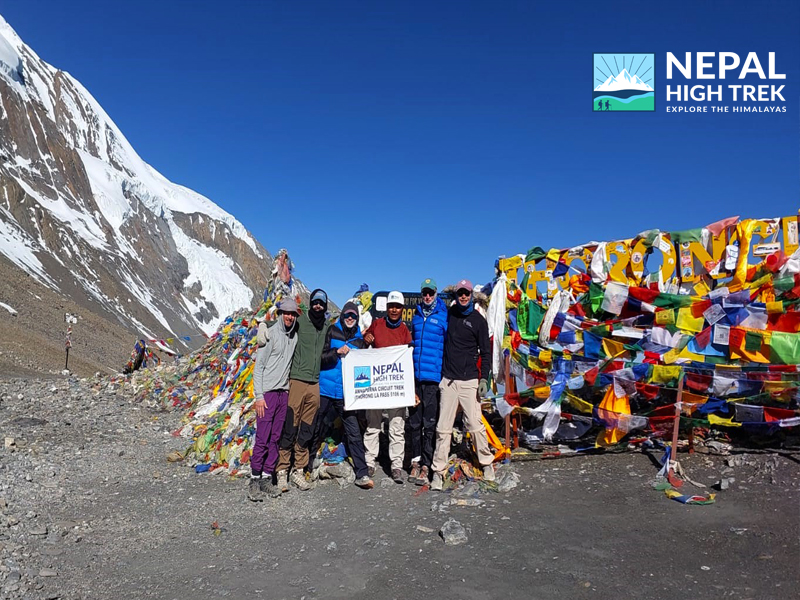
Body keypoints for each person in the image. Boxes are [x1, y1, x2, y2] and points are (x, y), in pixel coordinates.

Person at [430, 279, 495, 491]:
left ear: (471, 295)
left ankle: (486, 463)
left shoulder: (479, 321)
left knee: (475, 425)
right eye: (460, 293)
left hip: (470, 381)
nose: (464, 296)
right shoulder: (449, 315)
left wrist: (484, 378)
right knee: (443, 428)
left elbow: (486, 353)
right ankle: (438, 471)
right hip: (448, 380)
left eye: (467, 293)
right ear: (456, 296)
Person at [276, 289, 330, 492]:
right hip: (297, 381)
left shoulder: (326, 326)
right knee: (290, 425)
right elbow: (281, 325)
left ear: (325, 306)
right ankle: (282, 470)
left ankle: (298, 470)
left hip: (314, 384)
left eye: (321, 303)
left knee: (307, 428)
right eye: (315, 302)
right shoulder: (300, 321)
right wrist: (264, 326)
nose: (318, 306)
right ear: (311, 303)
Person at [317, 302, 373, 489]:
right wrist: (336, 352)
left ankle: (362, 473)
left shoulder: (359, 340)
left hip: (345, 394)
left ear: (357, 318)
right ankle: (304, 467)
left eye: (353, 316)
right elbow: (321, 357)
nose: (350, 318)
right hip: (325, 389)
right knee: (316, 426)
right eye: (347, 315)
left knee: (353, 431)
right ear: (342, 316)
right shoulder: (332, 331)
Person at [248, 299, 299, 500]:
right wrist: (259, 396)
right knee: (262, 437)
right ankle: (254, 480)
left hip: (282, 394)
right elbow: (258, 367)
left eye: (293, 314)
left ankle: (267, 477)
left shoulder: (294, 336)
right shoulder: (269, 335)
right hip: (267, 394)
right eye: (286, 313)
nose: (289, 317)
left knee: (275, 437)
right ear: (280, 314)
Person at [363, 290, 412, 483]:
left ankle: (396, 465)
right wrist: (367, 338)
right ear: (387, 307)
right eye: (391, 306)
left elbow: (408, 358)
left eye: (397, 307)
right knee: (373, 424)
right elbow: (366, 340)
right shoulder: (377, 324)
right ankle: (369, 461)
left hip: (395, 386)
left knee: (397, 427)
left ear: (402, 309)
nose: (394, 310)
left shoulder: (404, 330)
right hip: (376, 385)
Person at [408, 278, 447, 486]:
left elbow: (450, 345)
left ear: (436, 293)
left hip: (433, 379)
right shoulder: (415, 317)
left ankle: (427, 464)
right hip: (415, 378)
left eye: (431, 292)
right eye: (425, 293)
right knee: (415, 423)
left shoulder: (443, 316)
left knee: (429, 424)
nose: (428, 296)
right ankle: (415, 461)